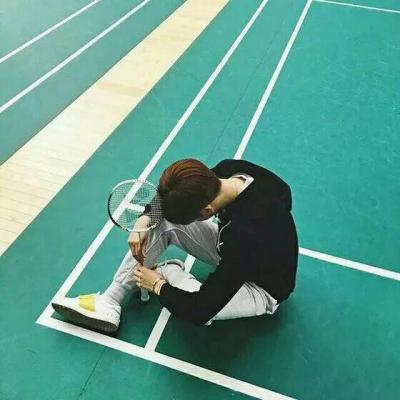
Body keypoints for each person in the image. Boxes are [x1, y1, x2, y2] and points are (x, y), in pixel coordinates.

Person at [52, 159, 298, 332]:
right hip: (236, 249)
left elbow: (201, 310)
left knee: (195, 303)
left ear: (206, 212)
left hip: (262, 287)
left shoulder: (248, 232)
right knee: (163, 220)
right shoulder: (227, 171)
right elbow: (174, 194)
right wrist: (144, 219)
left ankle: (170, 270)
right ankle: (110, 302)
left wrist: (158, 285)